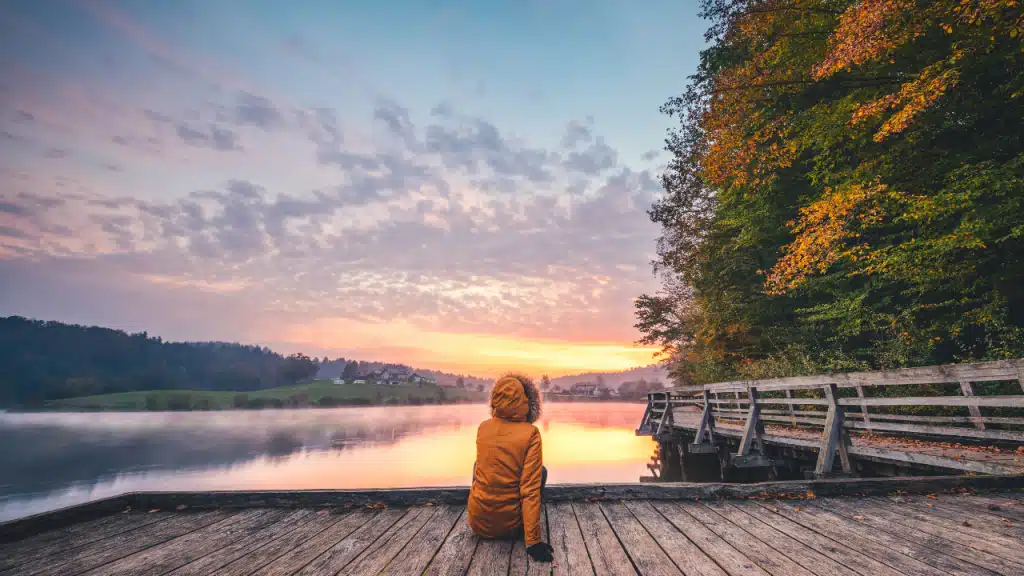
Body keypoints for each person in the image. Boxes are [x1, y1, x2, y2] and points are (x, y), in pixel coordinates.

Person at [467, 373, 554, 563]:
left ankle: (483, 512)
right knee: (541, 472)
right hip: (510, 527)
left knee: (478, 466)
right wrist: (533, 542)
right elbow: (530, 489)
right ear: (527, 401)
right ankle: (526, 526)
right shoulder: (531, 433)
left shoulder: (483, 428)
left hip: (477, 524)